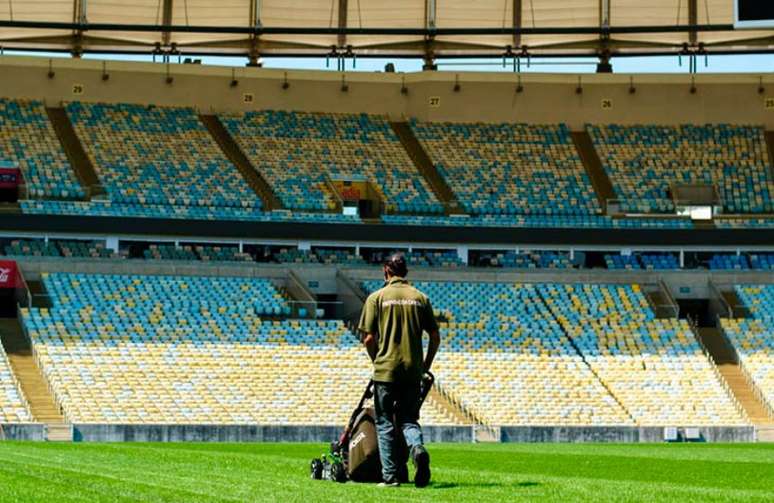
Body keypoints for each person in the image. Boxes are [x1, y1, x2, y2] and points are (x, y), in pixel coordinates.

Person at [358, 253, 441, 488]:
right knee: (408, 419)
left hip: (386, 371)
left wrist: (378, 361)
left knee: (384, 423)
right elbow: (435, 337)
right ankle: (417, 449)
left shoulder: (377, 298)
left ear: (386, 270)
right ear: (405, 272)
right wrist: (426, 365)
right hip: (413, 371)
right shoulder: (420, 298)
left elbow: (368, 339)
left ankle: (390, 477)